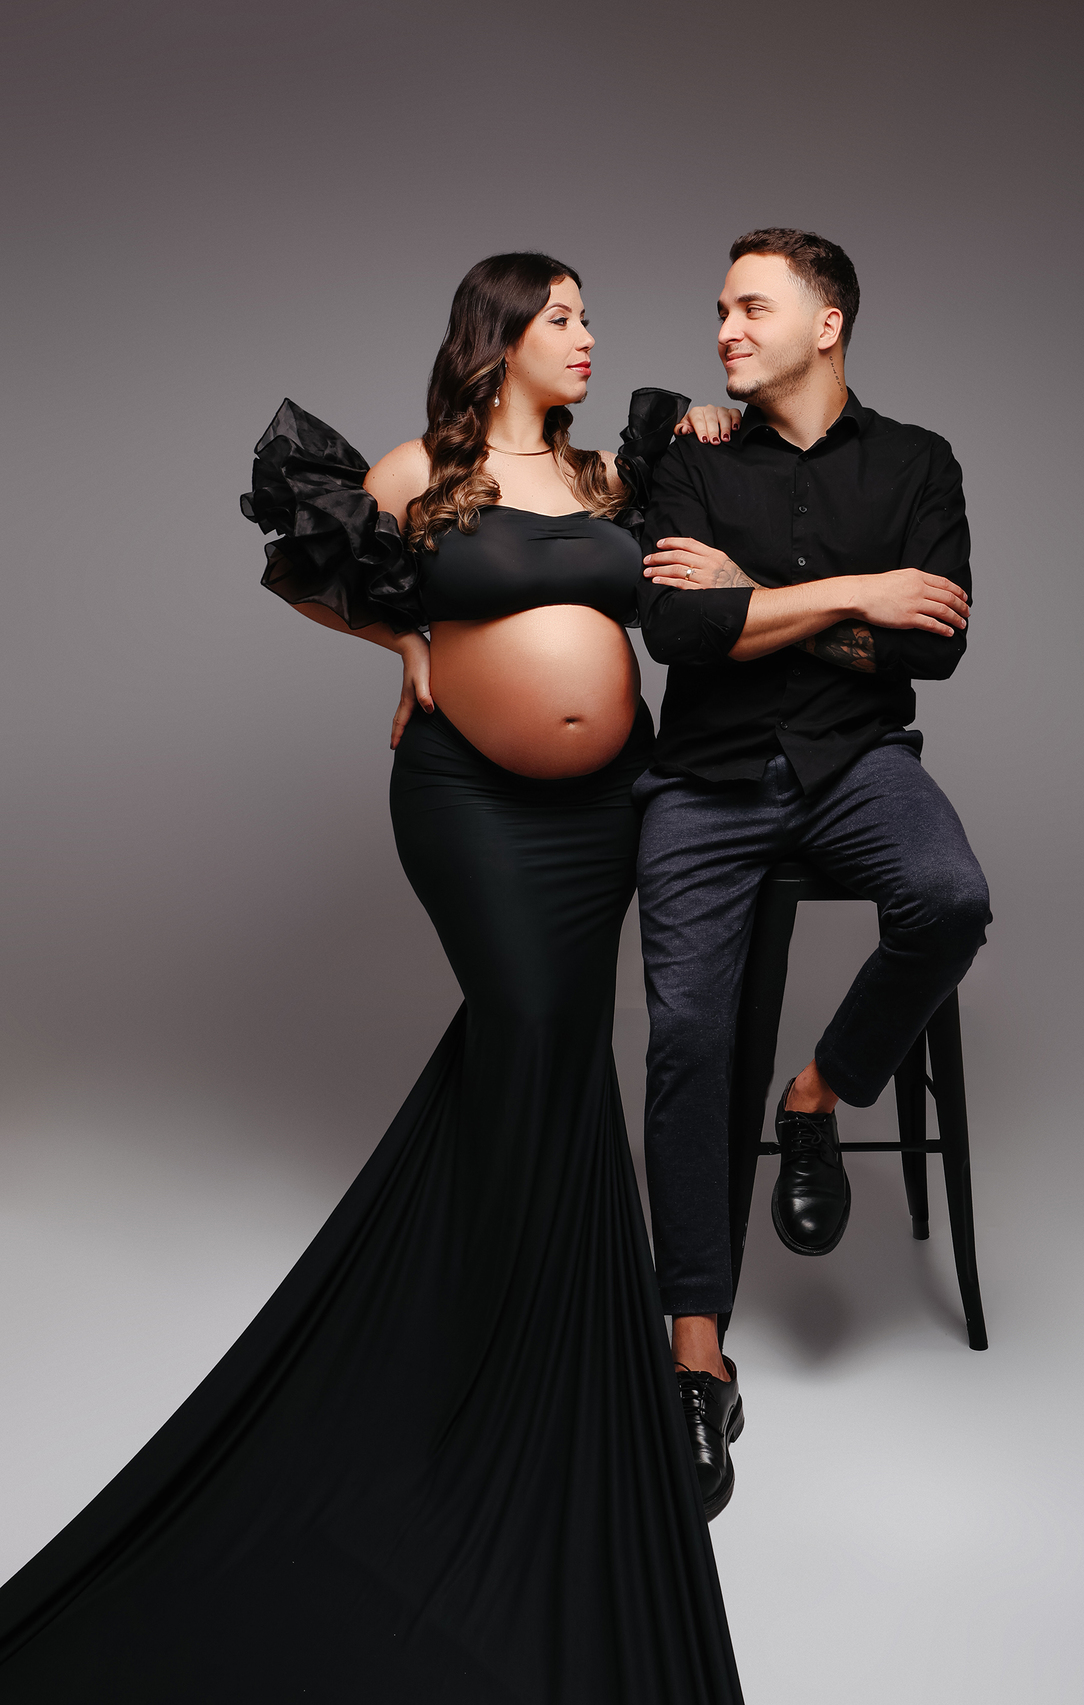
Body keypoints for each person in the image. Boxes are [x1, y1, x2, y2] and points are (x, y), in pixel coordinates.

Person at [0, 253, 745, 1704]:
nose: (588, 335)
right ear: (500, 337)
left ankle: (533, 1330)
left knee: (551, 1046)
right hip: (469, 803)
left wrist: (706, 436)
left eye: (589, 316)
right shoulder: (422, 474)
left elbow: (684, 587)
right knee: (532, 1022)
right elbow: (305, 564)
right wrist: (404, 638)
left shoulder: (613, 477)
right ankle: (504, 1356)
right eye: (562, 316)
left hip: (606, 813)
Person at [633, 228, 992, 1518]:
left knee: (949, 897)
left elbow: (933, 649)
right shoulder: (689, 458)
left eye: (751, 308)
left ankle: (816, 1093)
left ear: (826, 324)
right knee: (685, 1033)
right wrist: (857, 595)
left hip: (856, 766)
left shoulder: (919, 462)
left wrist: (760, 599)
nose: (725, 331)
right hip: (704, 779)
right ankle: (697, 1357)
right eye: (720, 310)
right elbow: (679, 627)